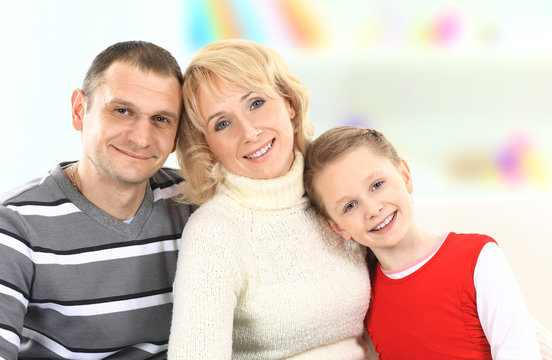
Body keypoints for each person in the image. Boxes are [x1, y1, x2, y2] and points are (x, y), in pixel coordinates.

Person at [167, 39, 371, 359]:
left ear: (288, 102)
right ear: (208, 145)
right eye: (222, 123)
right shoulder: (215, 232)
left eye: (256, 103)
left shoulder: (335, 191)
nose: (249, 132)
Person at [0, 41, 196, 360]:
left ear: (177, 134)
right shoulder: (14, 223)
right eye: (122, 110)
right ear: (80, 110)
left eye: (161, 119)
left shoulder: (193, 200)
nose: (141, 137)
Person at [303, 126, 542, 360]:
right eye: (350, 206)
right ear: (338, 227)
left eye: (377, 185)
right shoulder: (363, 296)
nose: (373, 209)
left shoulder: (477, 258)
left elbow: (519, 351)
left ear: (405, 175)